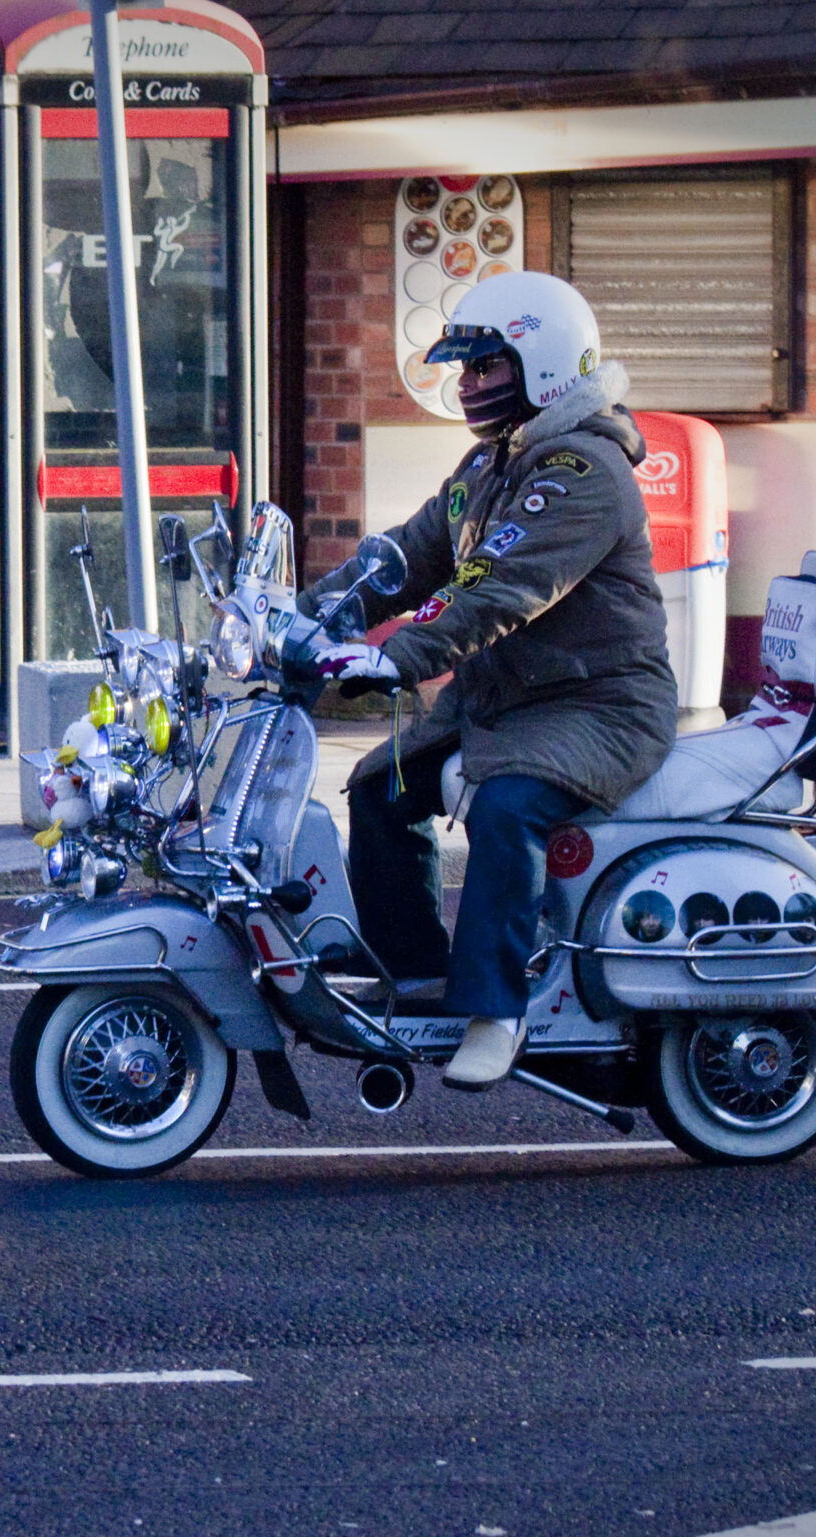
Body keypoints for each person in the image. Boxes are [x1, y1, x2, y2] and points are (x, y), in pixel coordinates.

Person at [306, 271, 678, 1091]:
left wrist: (395, 657)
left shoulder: (582, 472)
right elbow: (404, 556)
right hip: (510, 700)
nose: (467, 384)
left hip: (599, 704)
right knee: (380, 781)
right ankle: (416, 978)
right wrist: (303, 615)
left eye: (482, 366)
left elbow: (500, 591)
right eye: (465, 369)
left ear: (538, 363)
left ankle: (493, 1009)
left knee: (509, 807)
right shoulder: (492, 463)